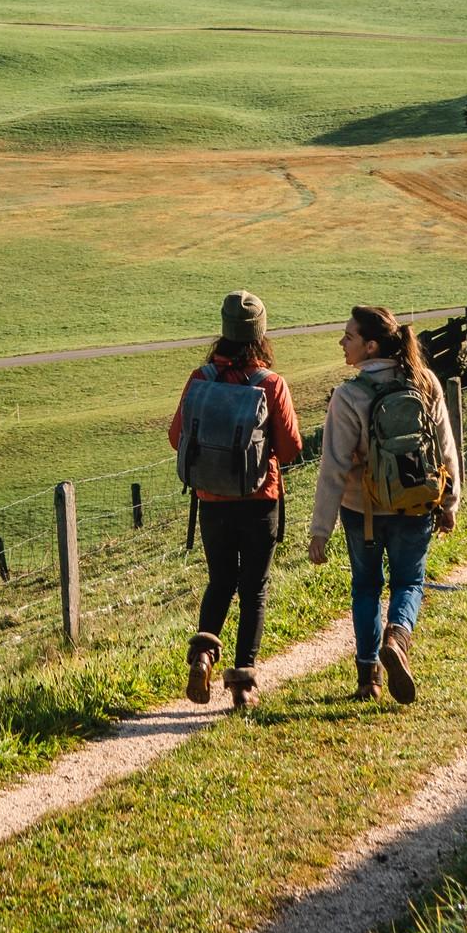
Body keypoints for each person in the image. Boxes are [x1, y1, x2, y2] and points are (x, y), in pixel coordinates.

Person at [306, 304, 461, 703]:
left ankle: (368, 678)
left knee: (366, 588)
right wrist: (450, 501)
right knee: (409, 581)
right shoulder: (424, 382)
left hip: (364, 511)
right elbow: (445, 446)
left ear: (371, 346)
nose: (342, 343)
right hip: (417, 504)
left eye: (349, 337)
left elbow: (333, 469)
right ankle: (399, 637)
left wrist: (320, 530)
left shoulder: (348, 396)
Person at [166, 289, 303, 710]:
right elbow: (293, 447)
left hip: (211, 500)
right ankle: (242, 684)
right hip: (261, 500)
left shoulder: (200, 379)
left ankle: (204, 653)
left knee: (221, 581)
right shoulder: (270, 383)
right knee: (254, 588)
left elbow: (176, 438)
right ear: (261, 333)